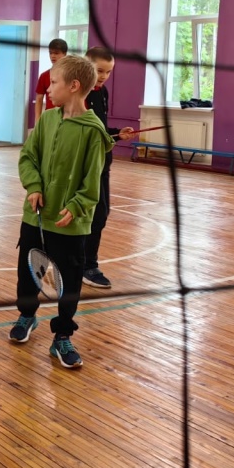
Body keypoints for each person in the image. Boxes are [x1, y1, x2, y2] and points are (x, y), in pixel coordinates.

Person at [9, 55, 114, 369]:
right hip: (36, 216)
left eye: (54, 82)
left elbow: (92, 181)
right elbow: (28, 157)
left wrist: (77, 206)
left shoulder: (93, 131)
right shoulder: (47, 120)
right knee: (28, 272)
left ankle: (63, 336)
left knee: (68, 282)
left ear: (74, 86)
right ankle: (27, 315)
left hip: (70, 223)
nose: (48, 88)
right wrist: (33, 186)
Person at [82, 46, 135, 288]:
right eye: (99, 70)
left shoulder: (102, 92)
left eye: (108, 72)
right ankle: (85, 265)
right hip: (84, 164)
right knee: (90, 215)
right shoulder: (78, 93)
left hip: (103, 162)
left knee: (101, 214)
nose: (103, 76)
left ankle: (86, 263)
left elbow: (100, 128)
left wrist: (116, 133)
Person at [33, 39, 68, 125]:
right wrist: (37, 120)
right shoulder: (44, 76)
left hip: (68, 117)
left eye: (56, 53)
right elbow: (39, 99)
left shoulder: (71, 75)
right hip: (50, 119)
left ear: (64, 54)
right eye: (50, 53)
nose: (52, 56)